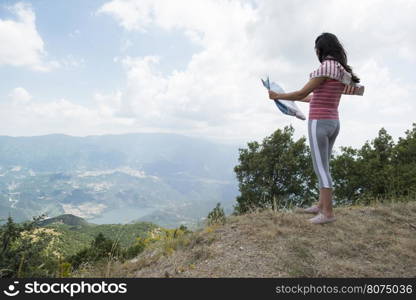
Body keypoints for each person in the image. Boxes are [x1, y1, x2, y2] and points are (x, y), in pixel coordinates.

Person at [268, 32, 364, 224]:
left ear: (321, 49)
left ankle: (327, 214)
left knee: (320, 168)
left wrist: (277, 97)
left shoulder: (324, 68)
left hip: (318, 122)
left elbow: (303, 91)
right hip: (333, 122)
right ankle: (320, 206)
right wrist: (288, 97)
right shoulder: (340, 70)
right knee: (324, 165)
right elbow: (314, 97)